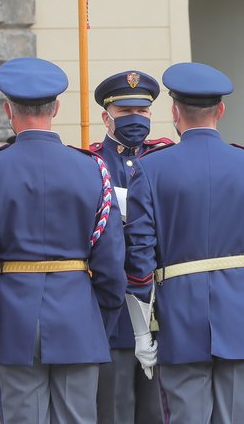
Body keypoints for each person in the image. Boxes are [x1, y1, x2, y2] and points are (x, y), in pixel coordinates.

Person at [124, 62, 244, 424]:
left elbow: (139, 260)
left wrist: (142, 332)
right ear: (220, 110)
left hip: (179, 317)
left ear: (174, 112)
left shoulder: (150, 169)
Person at [0, 57, 127, 424]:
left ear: (8, 110)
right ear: (55, 108)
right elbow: (111, 262)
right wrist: (99, 321)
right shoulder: (91, 169)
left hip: (14, 321)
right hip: (78, 315)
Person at [91, 70, 172, 424]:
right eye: (125, 111)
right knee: (114, 406)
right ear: (107, 117)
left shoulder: (167, 159)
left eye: (142, 111)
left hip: (162, 301)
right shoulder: (91, 164)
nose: (135, 118)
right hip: (112, 307)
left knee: (159, 408)